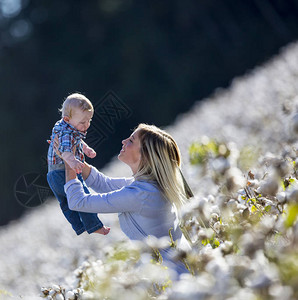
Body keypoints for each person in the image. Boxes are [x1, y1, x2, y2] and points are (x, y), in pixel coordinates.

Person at [55, 123, 192, 273]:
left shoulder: (141, 194)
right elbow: (102, 183)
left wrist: (69, 164)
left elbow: (78, 202)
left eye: (131, 140)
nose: (124, 141)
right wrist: (72, 155)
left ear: (144, 156)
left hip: (171, 279)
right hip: (174, 272)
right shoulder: (148, 187)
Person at [47, 93, 110, 236]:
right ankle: (95, 226)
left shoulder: (65, 128)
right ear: (67, 119)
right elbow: (66, 151)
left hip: (52, 175)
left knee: (66, 204)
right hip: (63, 173)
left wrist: (86, 149)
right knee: (82, 197)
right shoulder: (67, 134)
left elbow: (76, 141)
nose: (87, 125)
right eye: (83, 122)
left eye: (89, 120)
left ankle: (79, 226)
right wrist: (74, 162)